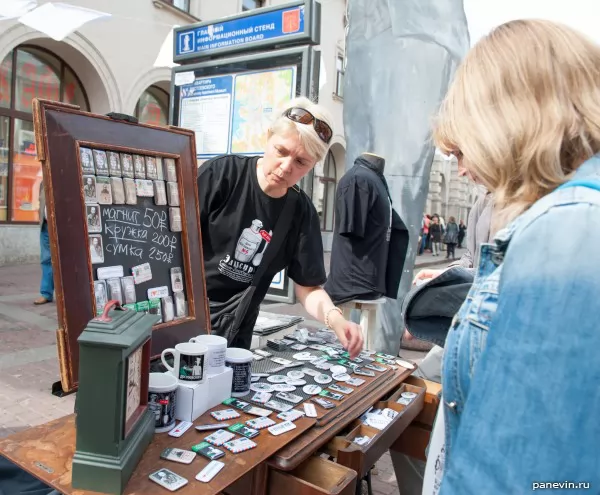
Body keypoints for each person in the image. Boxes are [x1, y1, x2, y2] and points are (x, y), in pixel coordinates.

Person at [427, 19, 600, 492]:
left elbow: (525, 477)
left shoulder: (568, 230)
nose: (461, 171)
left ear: (506, 123)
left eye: (462, 150)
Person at [197, 97, 363, 357]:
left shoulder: (301, 212)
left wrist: (336, 319)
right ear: (268, 137)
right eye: (281, 151)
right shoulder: (222, 175)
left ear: (313, 166)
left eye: (301, 162)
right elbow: (174, 242)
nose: (286, 167)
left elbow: (308, 288)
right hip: (184, 316)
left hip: (234, 332)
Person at [34, 182, 54, 305]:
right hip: (46, 226)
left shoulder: (64, 178)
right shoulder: (44, 182)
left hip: (61, 227)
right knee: (46, 260)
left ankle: (69, 295)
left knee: (65, 261)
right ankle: (46, 294)